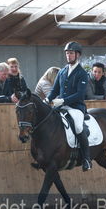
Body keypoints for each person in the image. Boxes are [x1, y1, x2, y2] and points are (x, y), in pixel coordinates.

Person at [45, 41, 91, 171]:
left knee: (77, 126)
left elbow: (80, 94)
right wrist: (47, 99)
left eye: (71, 53)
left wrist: (63, 101)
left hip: (76, 107)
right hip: (61, 106)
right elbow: (54, 90)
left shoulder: (82, 73)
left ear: (77, 55)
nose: (68, 56)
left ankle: (87, 159)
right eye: (67, 53)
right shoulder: (62, 71)